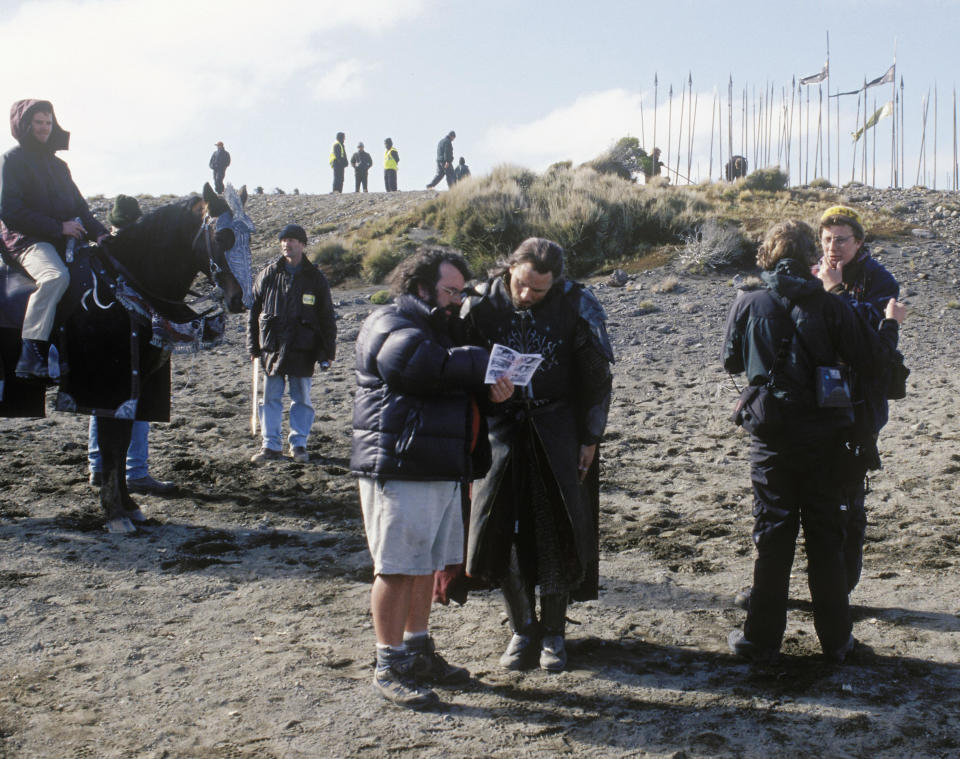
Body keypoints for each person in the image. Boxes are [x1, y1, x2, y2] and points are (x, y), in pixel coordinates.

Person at [722, 219, 905, 664]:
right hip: (826, 440)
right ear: (811, 258)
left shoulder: (748, 301)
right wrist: (889, 326)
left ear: (766, 255)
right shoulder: (833, 307)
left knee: (773, 537)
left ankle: (760, 641)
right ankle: (837, 643)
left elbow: (731, 361)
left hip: (771, 440)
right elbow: (876, 364)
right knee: (826, 540)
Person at [351, 247, 510, 709]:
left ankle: (416, 650)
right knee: (397, 567)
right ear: (421, 286)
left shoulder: (442, 331)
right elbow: (417, 366)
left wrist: (495, 391)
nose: (458, 300)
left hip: (437, 463)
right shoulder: (390, 321)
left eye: (462, 292)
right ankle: (389, 662)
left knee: (425, 565)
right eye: (450, 290)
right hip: (400, 464)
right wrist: (486, 361)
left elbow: (454, 384)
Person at [462, 238, 614, 672]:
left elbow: (596, 377)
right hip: (498, 431)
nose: (526, 295)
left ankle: (553, 635)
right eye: (521, 284)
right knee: (499, 529)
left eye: (538, 290)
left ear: (555, 284)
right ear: (509, 267)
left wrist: (589, 437)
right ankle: (521, 628)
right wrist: (485, 390)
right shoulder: (480, 305)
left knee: (555, 527)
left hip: (558, 430)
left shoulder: (576, 304)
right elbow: (458, 367)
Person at [815, 205, 900, 594]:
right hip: (815, 396)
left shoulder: (879, 278)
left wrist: (833, 292)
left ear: (860, 242)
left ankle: (843, 586)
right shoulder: (811, 271)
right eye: (828, 239)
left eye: (842, 239)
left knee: (849, 493)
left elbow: (872, 331)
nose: (834, 247)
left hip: (861, 400)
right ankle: (822, 581)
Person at [0, 99, 109, 382]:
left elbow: (81, 210)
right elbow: (9, 211)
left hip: (61, 239)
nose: (45, 128)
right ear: (25, 125)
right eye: (38, 122)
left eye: (48, 122)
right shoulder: (12, 160)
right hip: (25, 241)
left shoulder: (60, 166)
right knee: (55, 277)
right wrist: (57, 227)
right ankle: (31, 351)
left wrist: (102, 235)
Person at [87, 195, 176, 494]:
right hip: (128, 340)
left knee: (102, 402)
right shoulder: (141, 256)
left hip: (104, 338)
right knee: (135, 401)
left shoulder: (98, 254)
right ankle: (133, 470)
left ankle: (99, 467)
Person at [248, 224, 336, 464]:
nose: (287, 244)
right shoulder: (268, 274)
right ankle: (271, 446)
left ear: (303, 245)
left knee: (302, 399)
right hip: (272, 347)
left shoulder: (315, 278)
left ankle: (298, 445)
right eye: (284, 240)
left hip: (303, 348)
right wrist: (253, 348)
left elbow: (326, 315)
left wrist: (329, 351)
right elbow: (254, 312)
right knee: (270, 399)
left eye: (293, 240)